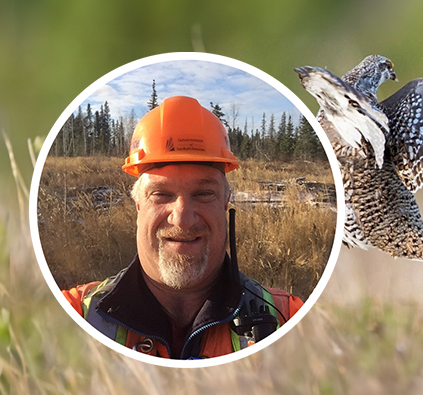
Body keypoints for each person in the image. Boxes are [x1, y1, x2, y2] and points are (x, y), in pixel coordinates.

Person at [62, 96, 304, 359]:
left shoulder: (290, 319)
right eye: (161, 194)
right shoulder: (74, 313)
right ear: (138, 205)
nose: (182, 219)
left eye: (203, 193)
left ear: (225, 203)